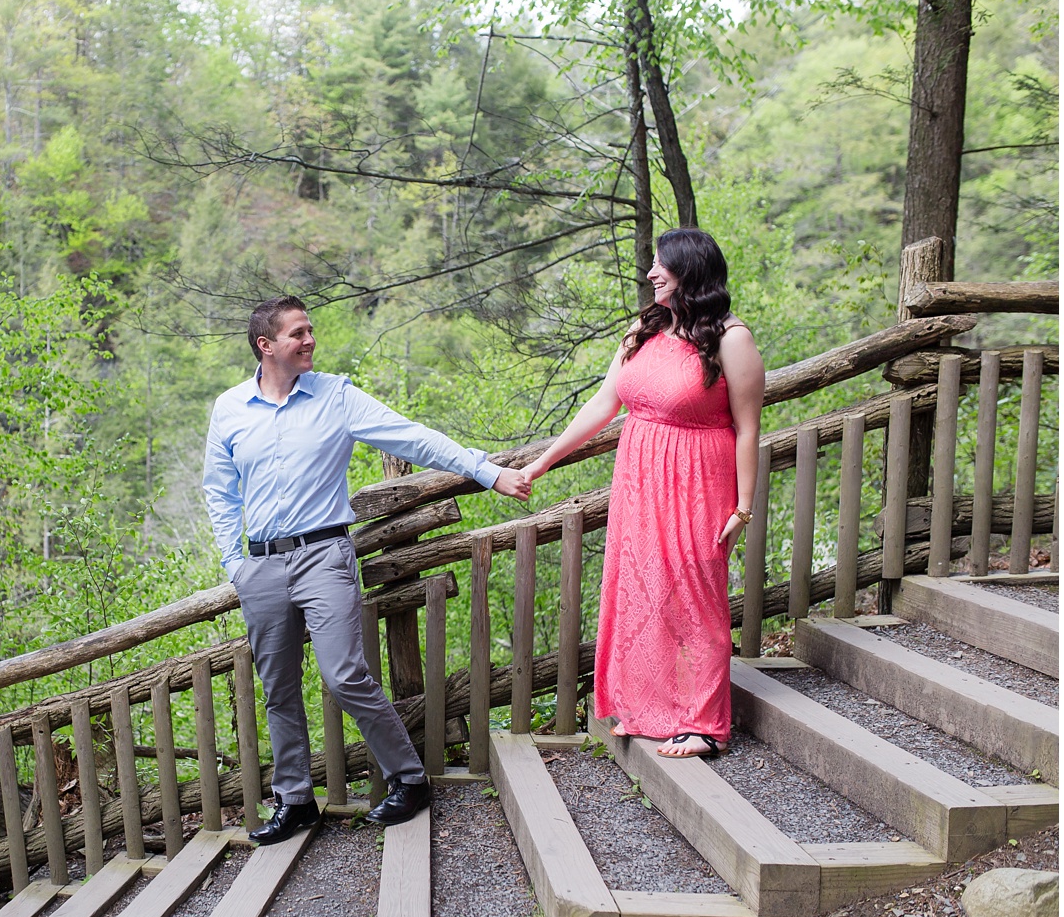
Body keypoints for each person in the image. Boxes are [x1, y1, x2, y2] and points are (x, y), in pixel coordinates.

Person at [204, 295, 532, 844]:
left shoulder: (336, 396)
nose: (310, 340)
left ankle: (408, 779)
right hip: (260, 565)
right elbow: (219, 490)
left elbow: (411, 435)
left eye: (310, 331)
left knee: (343, 674)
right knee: (278, 688)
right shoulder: (230, 408)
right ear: (266, 346)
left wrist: (484, 472)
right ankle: (295, 800)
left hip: (323, 556)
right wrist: (234, 563)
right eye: (297, 334)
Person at [520, 228, 764, 758]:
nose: (652, 273)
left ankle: (702, 722)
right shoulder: (645, 329)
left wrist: (744, 508)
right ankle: (648, 707)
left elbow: (748, 429)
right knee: (642, 587)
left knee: (695, 595)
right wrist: (540, 463)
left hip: (701, 477)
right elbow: (603, 404)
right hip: (639, 476)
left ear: (691, 272)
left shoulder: (731, 339)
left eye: (663, 266)